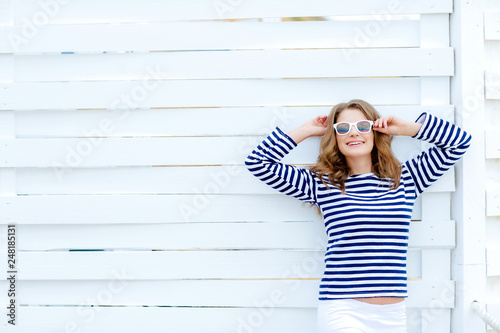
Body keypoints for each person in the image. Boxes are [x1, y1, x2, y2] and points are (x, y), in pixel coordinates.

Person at [244, 99, 472, 332]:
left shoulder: (406, 178)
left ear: (375, 131)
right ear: (335, 137)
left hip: (392, 313)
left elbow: (460, 143)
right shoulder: (322, 184)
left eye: (363, 126)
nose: (353, 133)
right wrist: (306, 130)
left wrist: (407, 129)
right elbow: (257, 162)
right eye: (342, 128)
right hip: (343, 309)